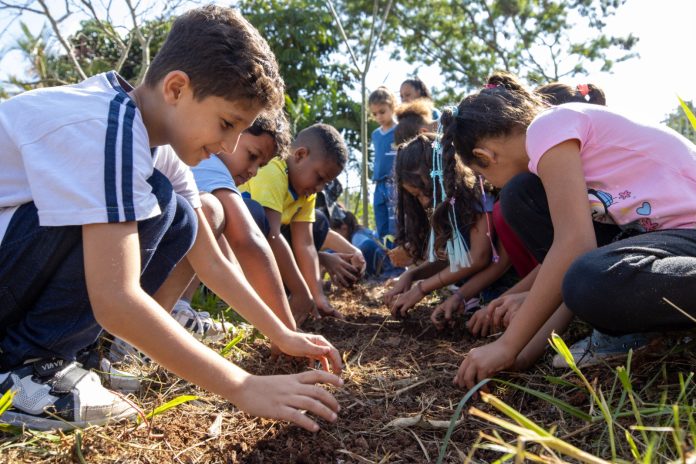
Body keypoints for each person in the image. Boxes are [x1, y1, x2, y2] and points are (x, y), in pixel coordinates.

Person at [0, 6, 342, 432]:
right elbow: (115, 298)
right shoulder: (108, 127)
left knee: (179, 215)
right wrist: (242, 386)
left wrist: (282, 334)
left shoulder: (156, 147)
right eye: (226, 123)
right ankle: (24, 366)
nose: (228, 145)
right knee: (158, 199)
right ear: (176, 88)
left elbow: (210, 260)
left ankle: (67, 355)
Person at [441, 71, 696, 389]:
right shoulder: (548, 145)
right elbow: (570, 268)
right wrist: (522, 354)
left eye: (482, 176)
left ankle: (633, 328)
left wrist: (505, 345)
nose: (490, 184)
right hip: (659, 240)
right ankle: (628, 328)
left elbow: (575, 248)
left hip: (687, 233)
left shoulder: (547, 127)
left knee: (586, 275)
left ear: (485, 156)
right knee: (524, 198)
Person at [169, 111, 296, 345]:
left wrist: (262, 318)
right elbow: (248, 240)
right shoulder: (211, 164)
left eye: (261, 165)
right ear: (231, 134)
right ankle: (169, 310)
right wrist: (287, 331)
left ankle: (177, 307)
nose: (253, 171)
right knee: (212, 209)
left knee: (213, 215)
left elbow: (227, 261)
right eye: (252, 156)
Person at [383, 134, 501, 318]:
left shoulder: (478, 197)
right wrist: (411, 276)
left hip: (501, 292)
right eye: (416, 196)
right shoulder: (445, 209)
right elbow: (451, 259)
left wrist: (422, 289)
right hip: (473, 294)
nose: (424, 201)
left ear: (445, 173)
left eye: (427, 191)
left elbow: (478, 257)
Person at [240, 123, 349, 323]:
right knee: (262, 221)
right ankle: (257, 297)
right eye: (319, 178)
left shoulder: (306, 192)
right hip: (238, 250)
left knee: (318, 224)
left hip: (263, 249)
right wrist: (300, 292)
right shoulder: (273, 171)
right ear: (300, 155)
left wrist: (317, 297)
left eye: (325, 183)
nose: (320, 188)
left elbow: (305, 244)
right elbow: (272, 236)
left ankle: (284, 296)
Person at [331, 209, 403, 281]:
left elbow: (367, 249)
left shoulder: (357, 239)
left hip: (388, 271)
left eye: (335, 233)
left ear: (344, 228)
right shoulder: (362, 232)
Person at [368, 86, 398, 246]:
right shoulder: (375, 134)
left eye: (382, 111)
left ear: (392, 107)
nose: (379, 116)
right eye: (374, 114)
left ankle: (399, 255)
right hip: (378, 183)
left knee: (395, 224)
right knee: (381, 223)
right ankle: (385, 256)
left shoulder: (399, 130)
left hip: (395, 183)